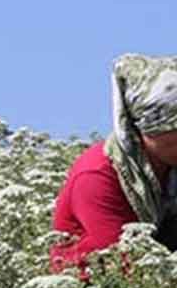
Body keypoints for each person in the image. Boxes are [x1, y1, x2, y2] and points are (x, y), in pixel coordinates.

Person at [51, 54, 177, 271]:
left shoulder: (168, 163)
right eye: (173, 130)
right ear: (142, 129)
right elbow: (125, 266)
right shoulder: (97, 176)